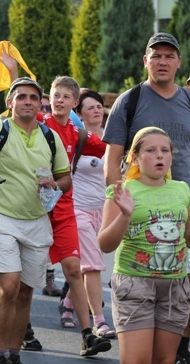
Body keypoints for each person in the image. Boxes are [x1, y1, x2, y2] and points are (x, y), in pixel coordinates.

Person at [0, 76, 72, 364]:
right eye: (21, 97)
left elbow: (66, 177)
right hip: (0, 219)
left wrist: (55, 186)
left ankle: (15, 354)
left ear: (40, 103)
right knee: (8, 286)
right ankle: (0, 354)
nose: (28, 102)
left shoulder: (49, 136)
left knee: (25, 293)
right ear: (10, 103)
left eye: (33, 97)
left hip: (36, 220)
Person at [103, 33, 190, 364]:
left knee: (188, 288)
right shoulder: (130, 100)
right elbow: (112, 160)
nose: (162, 61)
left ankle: (182, 345)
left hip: (185, 208)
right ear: (146, 60)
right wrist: (121, 204)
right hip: (139, 217)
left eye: (169, 56)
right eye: (155, 56)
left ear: (178, 62)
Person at [98, 127, 190, 364]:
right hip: (134, 284)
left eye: (165, 150)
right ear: (135, 157)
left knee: (164, 360)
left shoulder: (182, 189)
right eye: (151, 150)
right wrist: (124, 215)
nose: (160, 155)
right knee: (137, 361)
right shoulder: (122, 191)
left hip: (175, 286)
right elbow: (105, 244)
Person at [38, 77, 111, 356]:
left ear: (74, 103)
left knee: (73, 268)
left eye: (65, 97)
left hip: (66, 208)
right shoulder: (38, 124)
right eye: (55, 95)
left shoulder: (78, 134)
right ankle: (22, 329)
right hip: (31, 209)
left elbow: (109, 151)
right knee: (22, 276)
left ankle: (88, 334)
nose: (59, 100)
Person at [71, 89, 115, 338]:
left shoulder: (113, 139)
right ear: (79, 114)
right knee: (93, 266)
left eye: (99, 106)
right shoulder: (77, 138)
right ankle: (99, 321)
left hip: (105, 210)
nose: (97, 110)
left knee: (86, 266)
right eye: (90, 107)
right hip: (78, 208)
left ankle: (68, 303)